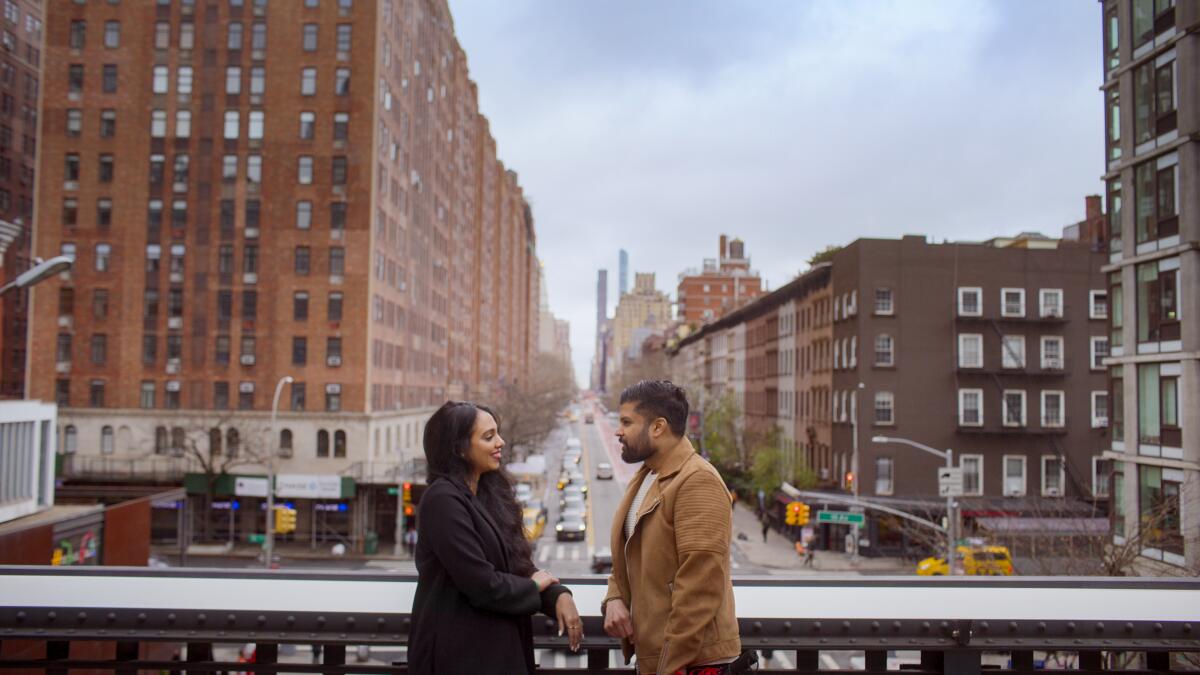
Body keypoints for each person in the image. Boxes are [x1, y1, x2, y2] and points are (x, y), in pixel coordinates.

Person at [408, 401, 583, 674]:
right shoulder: (442, 500)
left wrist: (558, 595)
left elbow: (517, 566)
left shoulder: (489, 494)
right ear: (459, 448)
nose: (500, 442)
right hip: (458, 658)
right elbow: (482, 584)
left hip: (498, 651)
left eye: (497, 433)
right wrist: (535, 588)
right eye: (488, 437)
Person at [602, 380, 743, 674]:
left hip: (692, 662)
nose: (618, 431)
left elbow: (700, 588)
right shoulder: (648, 475)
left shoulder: (697, 481)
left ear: (658, 427)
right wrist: (614, 596)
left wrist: (668, 665)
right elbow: (631, 555)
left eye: (627, 422)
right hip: (659, 657)